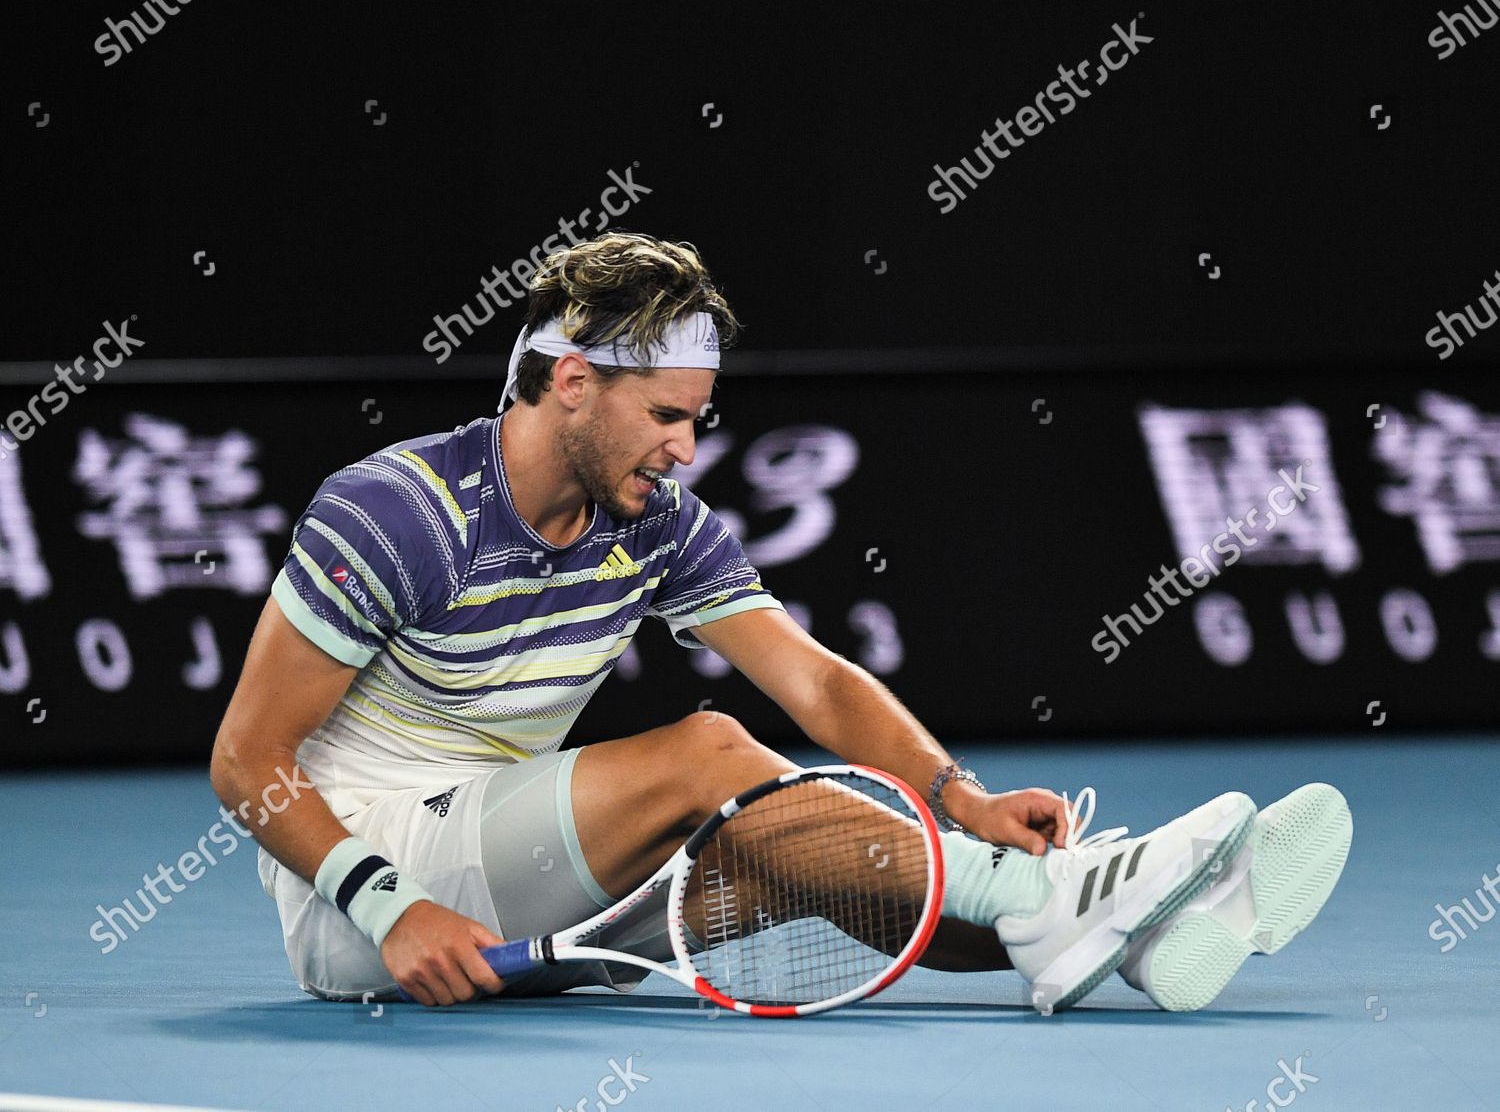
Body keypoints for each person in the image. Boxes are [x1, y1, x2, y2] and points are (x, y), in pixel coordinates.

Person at [210, 232, 1350, 1013]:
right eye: (664, 415)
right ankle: (1063, 900)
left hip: (502, 875)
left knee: (809, 863)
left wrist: (962, 797)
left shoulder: (653, 519)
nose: (685, 449)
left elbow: (815, 683)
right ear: (568, 381)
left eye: (698, 419)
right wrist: (388, 905)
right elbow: (244, 759)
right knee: (709, 751)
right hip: (361, 897)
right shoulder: (398, 512)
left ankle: (1114, 941)